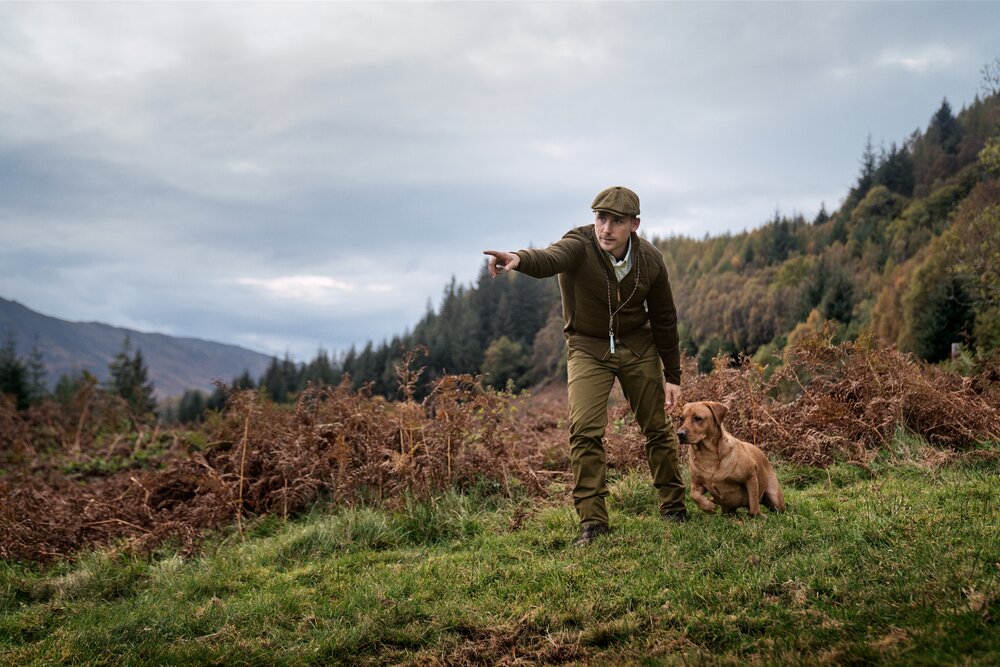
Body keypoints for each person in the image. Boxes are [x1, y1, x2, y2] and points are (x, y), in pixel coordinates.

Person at [483, 185, 688, 547]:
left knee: (657, 429)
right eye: (601, 218)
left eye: (617, 221)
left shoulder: (651, 261)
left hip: (638, 347)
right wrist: (518, 258)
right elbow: (550, 258)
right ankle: (593, 523)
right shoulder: (579, 244)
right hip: (588, 347)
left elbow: (664, 318)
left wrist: (672, 375)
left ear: (634, 225)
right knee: (585, 431)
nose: (606, 228)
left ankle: (674, 508)